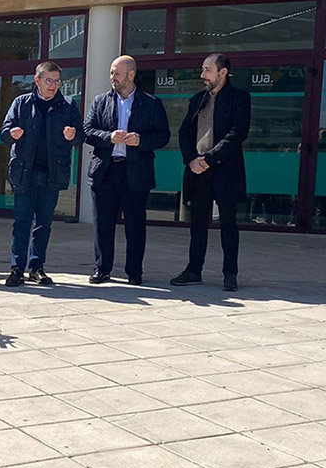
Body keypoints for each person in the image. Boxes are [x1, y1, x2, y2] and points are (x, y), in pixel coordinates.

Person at [84, 55, 170, 286]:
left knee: (135, 224)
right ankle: (102, 269)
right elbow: (87, 131)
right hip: (105, 171)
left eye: (117, 73)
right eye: (111, 72)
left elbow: (163, 136)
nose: (113, 77)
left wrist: (141, 140)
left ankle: (134, 272)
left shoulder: (151, 103)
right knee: (103, 223)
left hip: (136, 172)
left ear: (131, 74)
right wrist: (108, 137)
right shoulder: (101, 101)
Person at [0, 62, 85, 287]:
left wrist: (73, 135)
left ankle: (36, 267)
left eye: (57, 81)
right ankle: (17, 268)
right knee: (22, 222)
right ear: (37, 81)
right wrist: (11, 133)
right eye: (49, 81)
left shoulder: (67, 105)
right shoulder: (21, 103)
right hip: (25, 173)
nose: (54, 86)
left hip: (52, 173)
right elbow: (4, 132)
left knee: (44, 223)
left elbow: (80, 137)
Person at [171, 53, 251, 292]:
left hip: (224, 170)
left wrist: (209, 158)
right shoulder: (197, 99)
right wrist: (190, 160)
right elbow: (184, 132)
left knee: (228, 223)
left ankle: (230, 273)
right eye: (203, 70)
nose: (202, 75)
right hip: (197, 170)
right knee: (197, 224)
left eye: (207, 70)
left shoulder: (240, 98)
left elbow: (238, 133)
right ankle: (193, 270)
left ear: (222, 72)